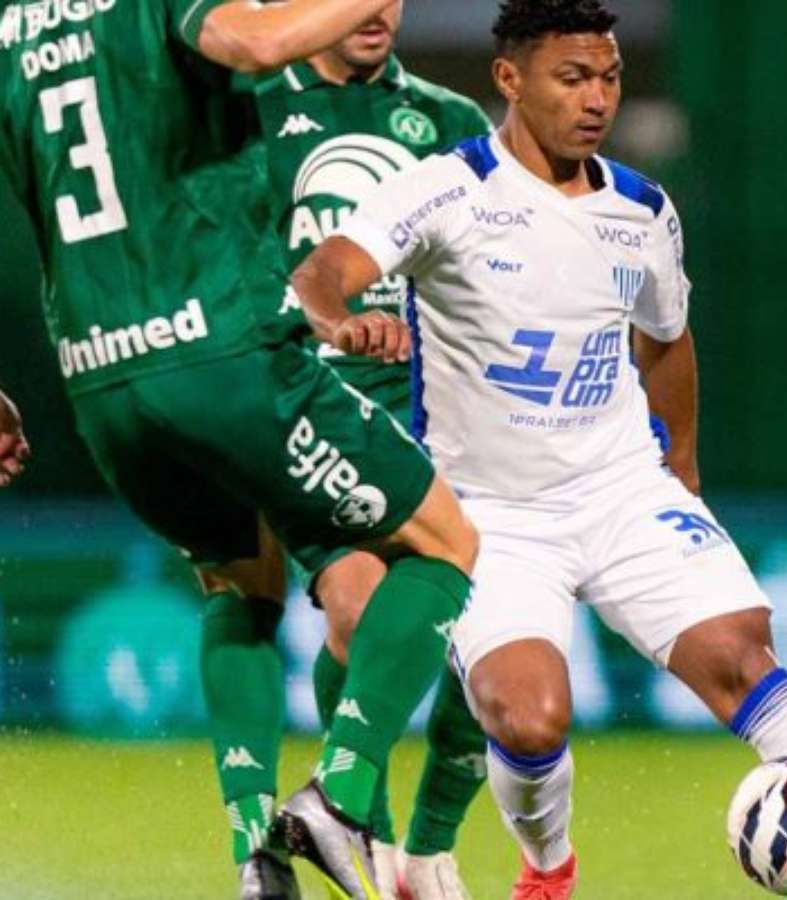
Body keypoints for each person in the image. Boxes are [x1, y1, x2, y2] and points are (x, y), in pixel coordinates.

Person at [287, 1, 787, 898]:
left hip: (621, 493)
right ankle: (548, 871)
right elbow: (322, 273)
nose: (597, 100)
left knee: (743, 657)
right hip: (489, 519)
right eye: (572, 78)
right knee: (529, 718)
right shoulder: (446, 190)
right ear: (510, 79)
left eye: (610, 78)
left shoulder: (642, 210)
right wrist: (342, 321)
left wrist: (680, 474)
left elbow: (667, 341)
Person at [0, 2, 479, 898]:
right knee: (446, 542)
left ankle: (255, 856)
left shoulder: (14, 29)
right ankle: (340, 799)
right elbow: (253, 41)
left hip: (101, 384)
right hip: (223, 356)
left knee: (240, 579)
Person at [253, 6, 493, 897]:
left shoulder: (448, 120)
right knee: (356, 612)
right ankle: (373, 836)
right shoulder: (249, 113)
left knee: (487, 636)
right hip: (307, 408)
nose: (379, 10)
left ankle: (431, 845)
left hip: (439, 414)